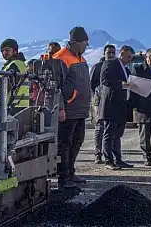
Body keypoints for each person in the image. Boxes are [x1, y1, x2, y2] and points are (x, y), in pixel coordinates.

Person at [53, 27, 92, 189]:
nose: (86, 46)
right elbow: (56, 86)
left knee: (77, 141)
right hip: (67, 110)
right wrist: (60, 108)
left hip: (80, 110)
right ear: (76, 42)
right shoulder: (60, 58)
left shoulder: (81, 59)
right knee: (64, 143)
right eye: (85, 43)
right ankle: (63, 177)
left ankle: (70, 172)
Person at [98, 45, 135, 170]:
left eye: (131, 57)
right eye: (128, 56)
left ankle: (118, 159)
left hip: (121, 106)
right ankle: (108, 160)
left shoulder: (126, 70)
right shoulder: (110, 63)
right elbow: (104, 79)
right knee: (109, 133)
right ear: (122, 53)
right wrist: (121, 84)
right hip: (111, 105)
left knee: (117, 134)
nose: (130, 59)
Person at [89, 44, 116, 164]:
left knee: (110, 129)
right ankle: (98, 153)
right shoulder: (98, 66)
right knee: (99, 127)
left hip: (111, 101)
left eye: (112, 53)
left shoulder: (116, 67)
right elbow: (91, 84)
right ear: (104, 53)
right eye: (108, 53)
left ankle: (108, 154)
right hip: (98, 100)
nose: (110, 55)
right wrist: (97, 95)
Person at [0, 39, 30, 109]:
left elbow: (3, 87)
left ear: (15, 51)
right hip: (18, 107)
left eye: (7, 50)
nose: (4, 53)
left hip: (10, 109)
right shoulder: (17, 64)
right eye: (2, 51)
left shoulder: (14, 65)